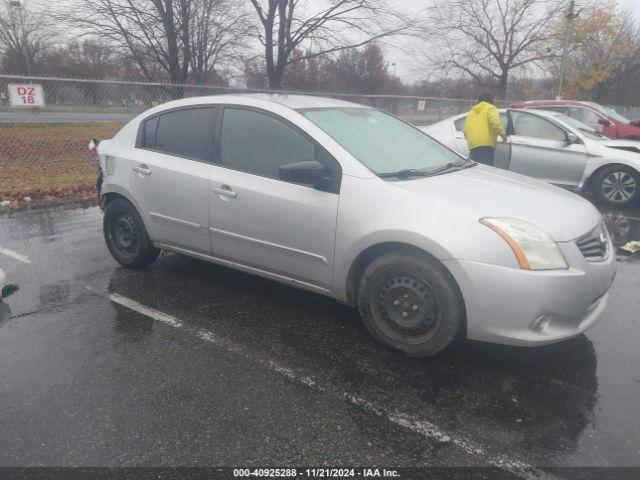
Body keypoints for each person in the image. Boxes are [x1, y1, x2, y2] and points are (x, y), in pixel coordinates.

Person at [463, 92, 507, 165]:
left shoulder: (471, 112)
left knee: (475, 171)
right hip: (486, 145)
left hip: (473, 146)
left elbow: (465, 130)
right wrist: (503, 136)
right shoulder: (491, 108)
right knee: (486, 171)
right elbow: (496, 123)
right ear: (491, 100)